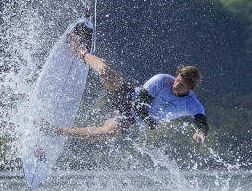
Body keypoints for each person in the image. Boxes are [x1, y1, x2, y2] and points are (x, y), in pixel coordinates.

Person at [44, 34, 209, 143]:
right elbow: (139, 104)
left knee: (106, 132)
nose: (176, 85)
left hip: (130, 119)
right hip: (126, 95)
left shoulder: (192, 104)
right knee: (105, 72)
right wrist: (150, 123)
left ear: (191, 87)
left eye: (182, 85)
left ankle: (57, 130)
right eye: (177, 80)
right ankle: (81, 50)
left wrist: (201, 133)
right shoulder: (162, 80)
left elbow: (202, 122)